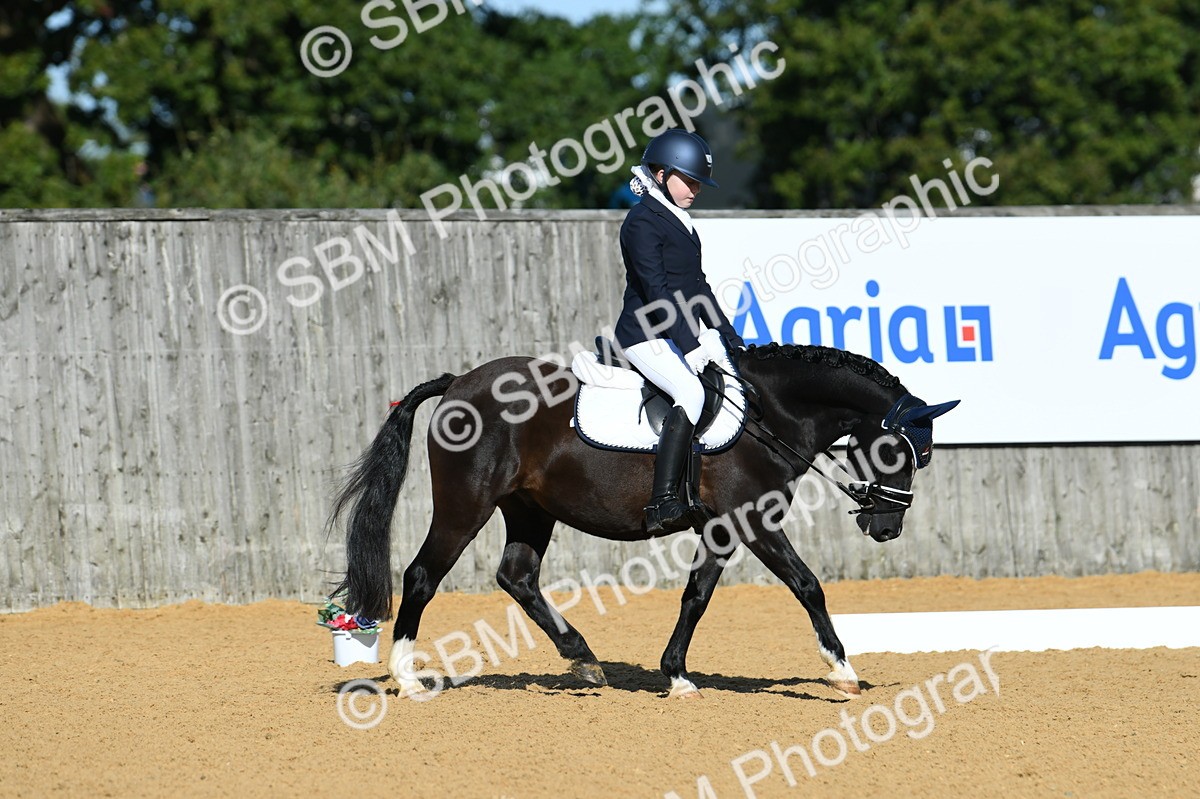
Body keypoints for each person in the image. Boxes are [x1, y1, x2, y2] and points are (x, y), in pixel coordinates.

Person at [613, 129, 746, 534]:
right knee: (691, 390)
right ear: (659, 173)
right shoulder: (641, 223)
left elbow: (698, 288)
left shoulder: (680, 222)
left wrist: (729, 337)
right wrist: (690, 345)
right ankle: (664, 500)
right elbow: (656, 291)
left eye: (698, 183)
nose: (695, 190)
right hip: (644, 337)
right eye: (688, 180)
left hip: (673, 334)